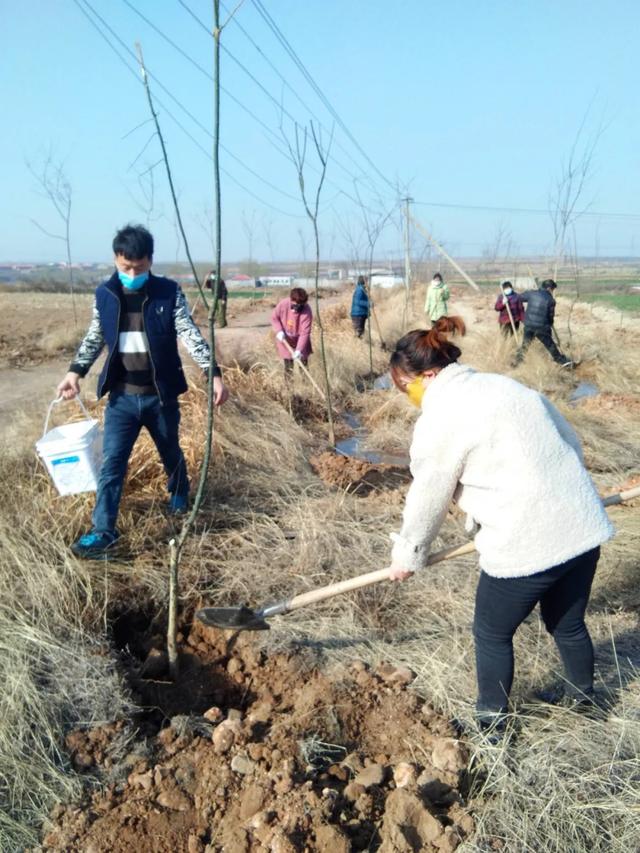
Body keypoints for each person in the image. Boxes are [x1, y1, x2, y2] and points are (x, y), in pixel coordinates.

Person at [387, 317, 614, 731]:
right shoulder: (507, 387)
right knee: (567, 622)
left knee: (491, 632)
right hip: (581, 528)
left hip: (528, 541)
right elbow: (571, 444)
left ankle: (492, 724)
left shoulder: (441, 418)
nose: (408, 395)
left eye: (407, 386)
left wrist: (408, 552)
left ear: (430, 375)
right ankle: (585, 702)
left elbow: (428, 496)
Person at [56, 224, 229, 559]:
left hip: (160, 396)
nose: (132, 273)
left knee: (170, 451)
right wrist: (74, 372)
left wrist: (214, 374)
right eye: (125, 267)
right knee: (112, 465)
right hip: (121, 397)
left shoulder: (168, 293)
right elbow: (94, 337)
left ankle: (179, 492)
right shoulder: (105, 295)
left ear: (150, 260)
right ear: (116, 259)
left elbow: (189, 334)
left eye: (138, 266)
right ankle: (103, 531)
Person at [516, 279, 572, 366]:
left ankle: (518, 362)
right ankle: (561, 361)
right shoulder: (551, 300)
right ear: (549, 288)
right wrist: (549, 325)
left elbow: (519, 297)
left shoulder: (532, 293)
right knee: (550, 345)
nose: (553, 291)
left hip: (529, 325)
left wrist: (529, 292)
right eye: (553, 289)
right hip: (541, 327)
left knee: (525, 344)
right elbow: (550, 316)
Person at [271, 287, 313, 378]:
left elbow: (305, 333)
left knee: (303, 365)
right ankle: (289, 389)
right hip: (285, 338)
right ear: (291, 299)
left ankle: (306, 386)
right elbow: (275, 318)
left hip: (301, 339)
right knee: (288, 366)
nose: (297, 308)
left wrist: (299, 350)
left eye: (300, 306)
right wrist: (279, 331)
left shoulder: (307, 310)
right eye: (295, 305)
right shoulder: (283, 304)